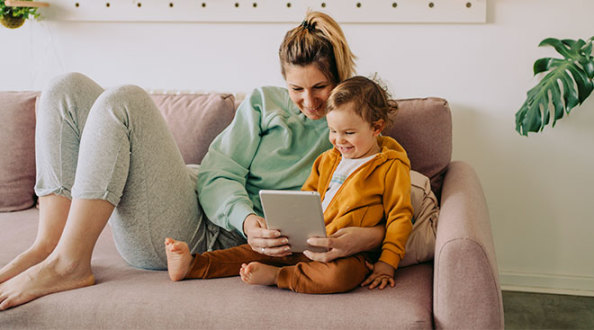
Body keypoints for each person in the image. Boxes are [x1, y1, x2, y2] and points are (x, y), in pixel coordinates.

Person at [0, 11, 386, 310]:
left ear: (341, 76)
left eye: (321, 87)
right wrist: (246, 218)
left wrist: (371, 238)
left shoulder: (357, 128)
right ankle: (48, 245)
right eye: (296, 89)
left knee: (126, 102)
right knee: (64, 89)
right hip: (193, 197)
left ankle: (71, 265)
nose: (308, 102)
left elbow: (391, 202)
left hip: (197, 236)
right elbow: (219, 172)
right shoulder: (264, 102)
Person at [164, 76, 413, 293]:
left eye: (348, 133)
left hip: (349, 252)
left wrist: (387, 263)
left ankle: (278, 276)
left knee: (340, 276)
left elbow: (399, 216)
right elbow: (306, 197)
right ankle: (193, 265)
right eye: (332, 131)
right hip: (306, 241)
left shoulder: (391, 166)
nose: (338, 141)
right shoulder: (328, 159)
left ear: (376, 127)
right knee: (253, 250)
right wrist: (290, 229)